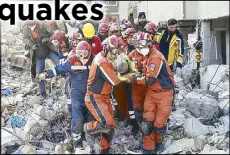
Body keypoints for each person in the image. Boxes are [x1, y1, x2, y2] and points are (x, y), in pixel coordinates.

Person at [35, 41, 94, 148]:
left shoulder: (94, 61)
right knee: (77, 119)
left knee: (90, 118)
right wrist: (44, 74)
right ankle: (77, 142)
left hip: (90, 96)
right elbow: (58, 69)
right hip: (77, 96)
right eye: (79, 53)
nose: (82, 57)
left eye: (84, 54)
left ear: (89, 52)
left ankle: (89, 138)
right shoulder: (72, 61)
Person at [83, 35, 131, 154]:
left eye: (116, 52)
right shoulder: (101, 62)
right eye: (112, 52)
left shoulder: (106, 58)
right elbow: (114, 80)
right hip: (94, 97)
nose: (114, 55)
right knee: (107, 123)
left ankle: (105, 149)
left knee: (110, 127)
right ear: (105, 49)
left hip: (104, 96)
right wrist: (127, 77)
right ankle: (88, 128)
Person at [129, 32, 175, 154]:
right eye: (138, 45)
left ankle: (158, 142)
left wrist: (133, 79)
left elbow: (149, 80)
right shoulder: (144, 56)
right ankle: (148, 148)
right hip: (151, 93)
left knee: (159, 124)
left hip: (164, 93)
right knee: (147, 122)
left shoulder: (155, 57)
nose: (140, 47)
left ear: (149, 43)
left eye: (143, 44)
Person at [23, 20, 59, 98]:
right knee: (38, 73)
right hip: (38, 54)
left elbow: (53, 35)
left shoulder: (43, 25)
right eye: (29, 26)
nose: (31, 27)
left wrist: (47, 40)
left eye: (32, 25)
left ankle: (65, 77)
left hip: (48, 50)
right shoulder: (26, 28)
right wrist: (32, 45)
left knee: (59, 61)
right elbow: (25, 38)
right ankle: (42, 91)